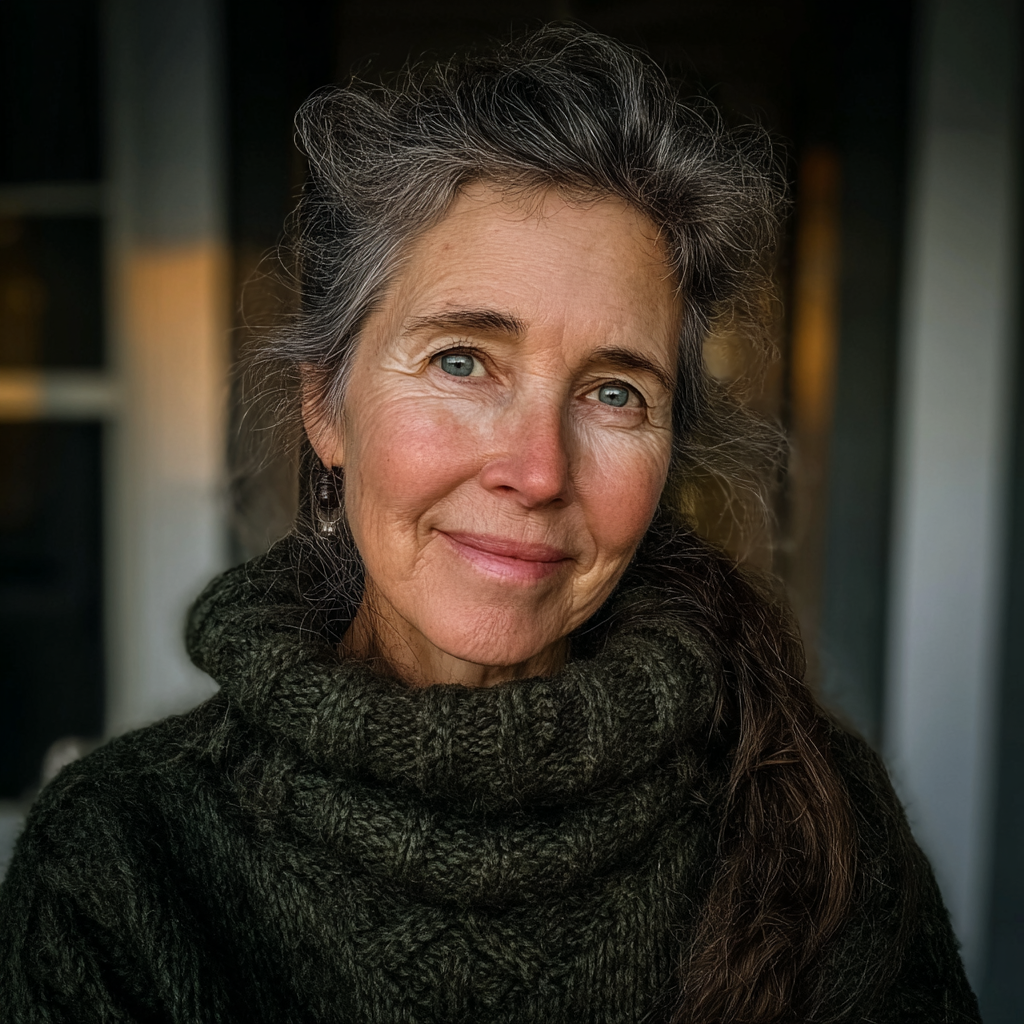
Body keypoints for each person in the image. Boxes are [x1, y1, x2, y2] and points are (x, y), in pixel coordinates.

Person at [0, 27, 980, 1024]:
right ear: (326, 411)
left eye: (611, 391)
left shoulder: (814, 819)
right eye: (461, 361)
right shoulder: (121, 860)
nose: (538, 469)